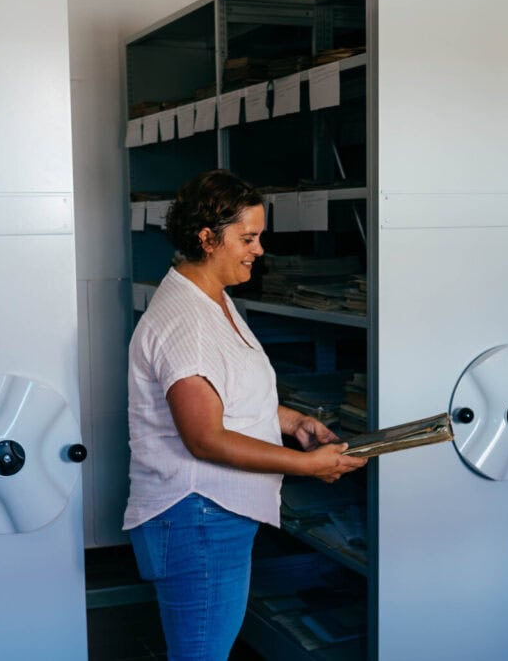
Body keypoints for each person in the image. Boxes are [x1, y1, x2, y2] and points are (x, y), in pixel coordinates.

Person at [123, 169, 367, 660]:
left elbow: (229, 395)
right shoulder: (187, 322)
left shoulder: (213, 300)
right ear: (207, 238)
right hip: (197, 516)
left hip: (209, 516)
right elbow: (205, 437)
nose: (259, 250)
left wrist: (293, 422)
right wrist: (307, 466)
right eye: (248, 238)